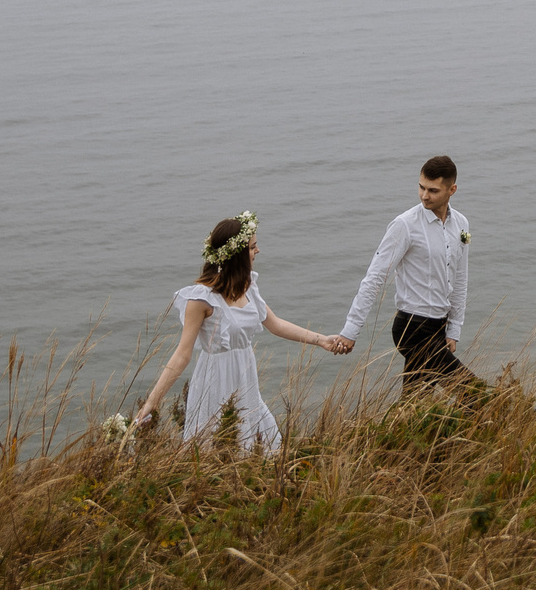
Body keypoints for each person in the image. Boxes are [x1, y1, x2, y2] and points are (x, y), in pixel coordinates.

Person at [136, 211, 347, 452]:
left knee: (264, 444)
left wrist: (322, 341)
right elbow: (182, 355)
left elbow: (275, 324)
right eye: (252, 247)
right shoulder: (201, 299)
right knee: (215, 447)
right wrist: (152, 402)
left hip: (245, 378)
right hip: (215, 380)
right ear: (236, 255)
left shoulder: (248, 287)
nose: (258, 251)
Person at [328, 155, 475, 392]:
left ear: (452, 190)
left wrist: (454, 329)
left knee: (416, 404)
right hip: (411, 328)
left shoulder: (461, 224)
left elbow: (460, 279)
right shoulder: (405, 225)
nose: (424, 195)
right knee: (472, 392)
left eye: (433, 190)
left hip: (440, 327)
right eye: (421, 187)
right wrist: (350, 331)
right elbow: (374, 278)